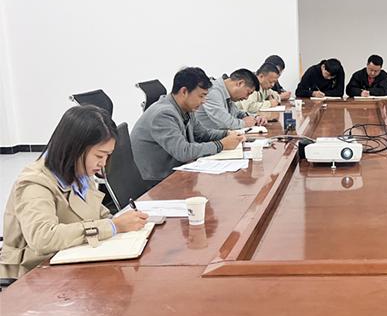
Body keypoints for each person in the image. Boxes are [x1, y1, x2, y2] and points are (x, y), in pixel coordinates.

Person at [0, 105, 148, 280]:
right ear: (75, 149)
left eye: (108, 156)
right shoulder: (35, 182)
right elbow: (43, 238)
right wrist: (112, 226)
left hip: (71, 262)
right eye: (99, 156)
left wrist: (122, 222)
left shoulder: (80, 171)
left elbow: (96, 212)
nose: (103, 163)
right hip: (32, 274)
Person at [131, 67, 245, 182]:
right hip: (157, 181)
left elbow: (202, 134)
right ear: (184, 92)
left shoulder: (186, 108)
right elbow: (183, 152)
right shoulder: (163, 114)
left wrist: (227, 134)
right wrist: (221, 145)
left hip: (177, 172)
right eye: (201, 96)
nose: (204, 101)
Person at [195, 68, 264, 131]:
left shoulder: (228, 93)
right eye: (248, 93)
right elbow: (224, 122)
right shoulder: (213, 91)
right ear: (240, 83)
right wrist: (244, 123)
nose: (246, 98)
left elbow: (237, 113)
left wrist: (255, 118)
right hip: (205, 139)